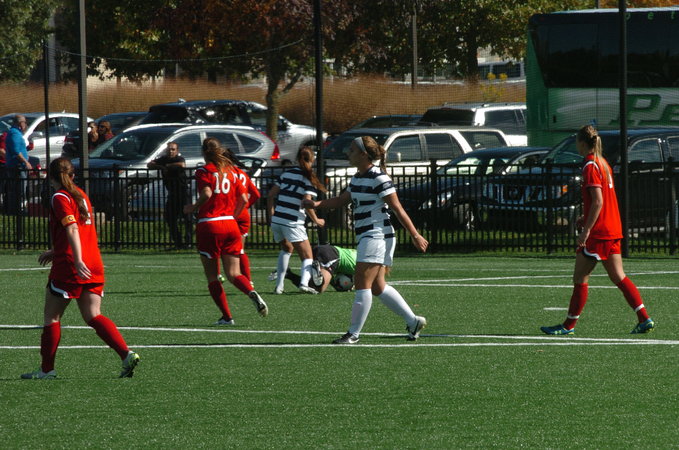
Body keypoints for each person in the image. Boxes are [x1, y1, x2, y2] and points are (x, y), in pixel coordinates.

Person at [21, 157, 140, 379]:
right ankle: (126, 354)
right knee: (93, 315)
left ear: (50, 177)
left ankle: (46, 370)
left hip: (72, 265)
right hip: (93, 261)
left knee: (51, 317)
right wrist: (57, 250)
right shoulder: (80, 195)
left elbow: (73, 229)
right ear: (73, 175)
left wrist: (75, 260)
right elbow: (81, 231)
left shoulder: (60, 196)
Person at [303, 136, 429, 344]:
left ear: (363, 154)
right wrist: (316, 204)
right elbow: (342, 200)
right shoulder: (357, 177)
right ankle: (413, 321)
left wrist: (415, 235)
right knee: (378, 287)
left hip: (377, 235)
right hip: (368, 235)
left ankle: (353, 334)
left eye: (352, 150)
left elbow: (397, 208)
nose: (348, 153)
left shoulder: (379, 178)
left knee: (362, 282)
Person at [541, 125, 655, 335]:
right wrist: (586, 217)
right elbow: (602, 201)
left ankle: (568, 326)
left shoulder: (590, 165)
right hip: (612, 227)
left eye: (577, 142)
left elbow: (598, 201)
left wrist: (586, 230)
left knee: (580, 278)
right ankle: (644, 318)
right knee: (619, 276)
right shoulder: (603, 163)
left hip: (599, 232)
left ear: (582, 143)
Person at [183, 137, 268, 325]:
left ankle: (227, 317)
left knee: (213, 276)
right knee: (234, 273)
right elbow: (244, 199)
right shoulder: (232, 172)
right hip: (230, 224)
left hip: (210, 224)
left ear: (204, 152)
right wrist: (233, 217)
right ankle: (250, 291)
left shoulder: (204, 171)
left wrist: (193, 207)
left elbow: (207, 193)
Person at [267, 146, 326, 295]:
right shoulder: (308, 177)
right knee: (308, 256)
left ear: (298, 158)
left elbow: (271, 195)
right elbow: (306, 202)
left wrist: (271, 216)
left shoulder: (286, 174)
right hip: (292, 221)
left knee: (287, 249)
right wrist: (317, 220)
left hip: (278, 220)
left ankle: (279, 287)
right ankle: (304, 284)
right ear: (312, 160)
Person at [222, 147, 261, 288]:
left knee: (219, 246)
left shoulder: (225, 174)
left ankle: (218, 274)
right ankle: (248, 280)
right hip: (243, 214)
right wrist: (245, 207)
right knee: (240, 249)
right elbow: (256, 194)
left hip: (229, 214)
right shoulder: (242, 174)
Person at [147, 142, 190, 249]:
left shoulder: (179, 159)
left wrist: (167, 166)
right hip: (172, 193)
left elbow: (182, 165)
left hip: (183, 192)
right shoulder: (163, 159)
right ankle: (178, 242)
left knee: (187, 218)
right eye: (169, 149)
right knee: (169, 217)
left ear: (177, 150)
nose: (171, 151)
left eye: (173, 149)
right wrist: (160, 166)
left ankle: (188, 242)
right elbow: (149, 165)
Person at [270, 244, 357, 294]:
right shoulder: (362, 263)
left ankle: (288, 274)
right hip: (331, 255)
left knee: (310, 286)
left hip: (325, 250)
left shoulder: (358, 254)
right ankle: (317, 270)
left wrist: (336, 285)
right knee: (319, 289)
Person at [5, 115, 33, 215]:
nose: (25, 124)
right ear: (20, 123)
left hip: (17, 165)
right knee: (19, 189)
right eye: (24, 122)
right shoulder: (14, 133)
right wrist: (26, 162)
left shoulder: (16, 133)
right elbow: (16, 151)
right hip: (17, 166)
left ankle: (16, 210)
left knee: (19, 189)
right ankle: (16, 211)